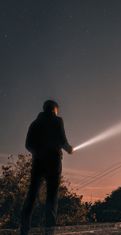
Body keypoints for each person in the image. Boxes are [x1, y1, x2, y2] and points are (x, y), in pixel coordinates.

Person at [20, 100, 73, 235]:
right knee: (52, 196)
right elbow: (62, 140)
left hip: (38, 162)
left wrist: (38, 152)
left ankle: (24, 230)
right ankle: (49, 231)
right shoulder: (57, 120)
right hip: (53, 162)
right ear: (54, 109)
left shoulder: (34, 123)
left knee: (32, 194)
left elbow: (28, 144)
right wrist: (69, 149)